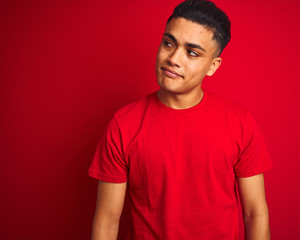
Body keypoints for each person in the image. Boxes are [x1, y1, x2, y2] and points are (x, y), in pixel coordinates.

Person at [88, 0, 273, 239]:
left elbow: (255, 213)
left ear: (212, 66)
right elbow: (107, 222)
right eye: (168, 43)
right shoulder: (123, 124)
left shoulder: (240, 122)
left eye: (192, 53)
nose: (173, 58)